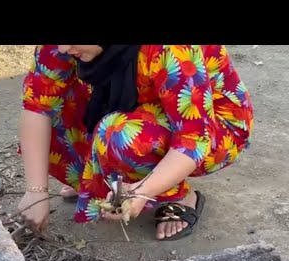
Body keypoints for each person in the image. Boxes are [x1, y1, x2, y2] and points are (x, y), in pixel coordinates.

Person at [17, 45, 254, 241]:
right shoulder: (63, 47)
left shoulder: (171, 49)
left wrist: (142, 192)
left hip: (213, 128)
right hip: (137, 107)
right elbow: (37, 107)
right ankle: (97, 177)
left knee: (121, 135)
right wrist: (35, 192)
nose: (63, 48)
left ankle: (177, 196)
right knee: (53, 111)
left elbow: (193, 139)